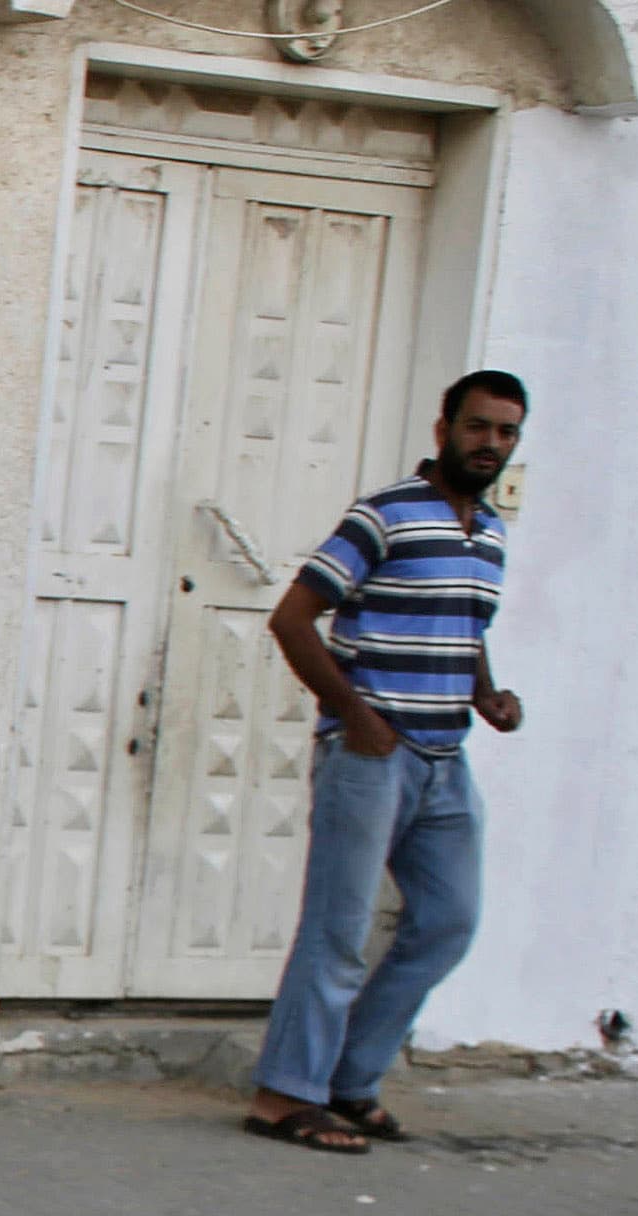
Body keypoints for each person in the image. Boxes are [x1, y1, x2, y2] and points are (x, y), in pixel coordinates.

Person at [242, 371, 529, 1155]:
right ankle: (282, 1096)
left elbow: (463, 627)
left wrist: (488, 694)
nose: (491, 445)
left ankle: (349, 1079)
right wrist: (355, 713)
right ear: (443, 430)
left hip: (445, 760)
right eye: (478, 427)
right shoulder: (386, 514)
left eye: (506, 432)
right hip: (371, 756)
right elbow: (293, 618)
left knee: (448, 921)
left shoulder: (492, 533)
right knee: (339, 929)